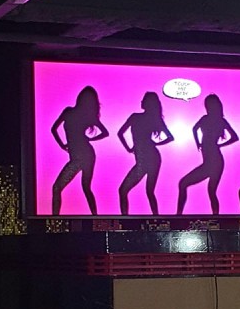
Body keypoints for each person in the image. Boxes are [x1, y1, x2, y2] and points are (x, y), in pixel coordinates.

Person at [50, 86, 109, 215]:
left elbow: (106, 133)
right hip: (85, 154)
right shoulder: (75, 113)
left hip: (82, 156)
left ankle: (55, 220)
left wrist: (63, 145)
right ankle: (94, 217)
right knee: (85, 188)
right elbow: (53, 129)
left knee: (59, 187)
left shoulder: (77, 114)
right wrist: (62, 145)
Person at [176, 94, 239, 215]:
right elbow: (194, 129)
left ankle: (214, 218)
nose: (208, 107)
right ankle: (179, 215)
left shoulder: (219, 121)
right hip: (210, 162)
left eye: (210, 105)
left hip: (215, 162)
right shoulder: (206, 119)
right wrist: (198, 143)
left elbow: (235, 137)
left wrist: (219, 145)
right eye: (207, 105)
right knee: (203, 189)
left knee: (210, 191)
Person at [117, 92, 174, 215]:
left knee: (126, 190)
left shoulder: (137, 118)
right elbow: (120, 133)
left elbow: (120, 133)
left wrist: (129, 148)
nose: (141, 102)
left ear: (147, 103)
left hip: (148, 159)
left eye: (143, 100)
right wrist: (130, 148)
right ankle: (153, 218)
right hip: (151, 158)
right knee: (149, 191)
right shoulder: (147, 119)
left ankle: (127, 220)